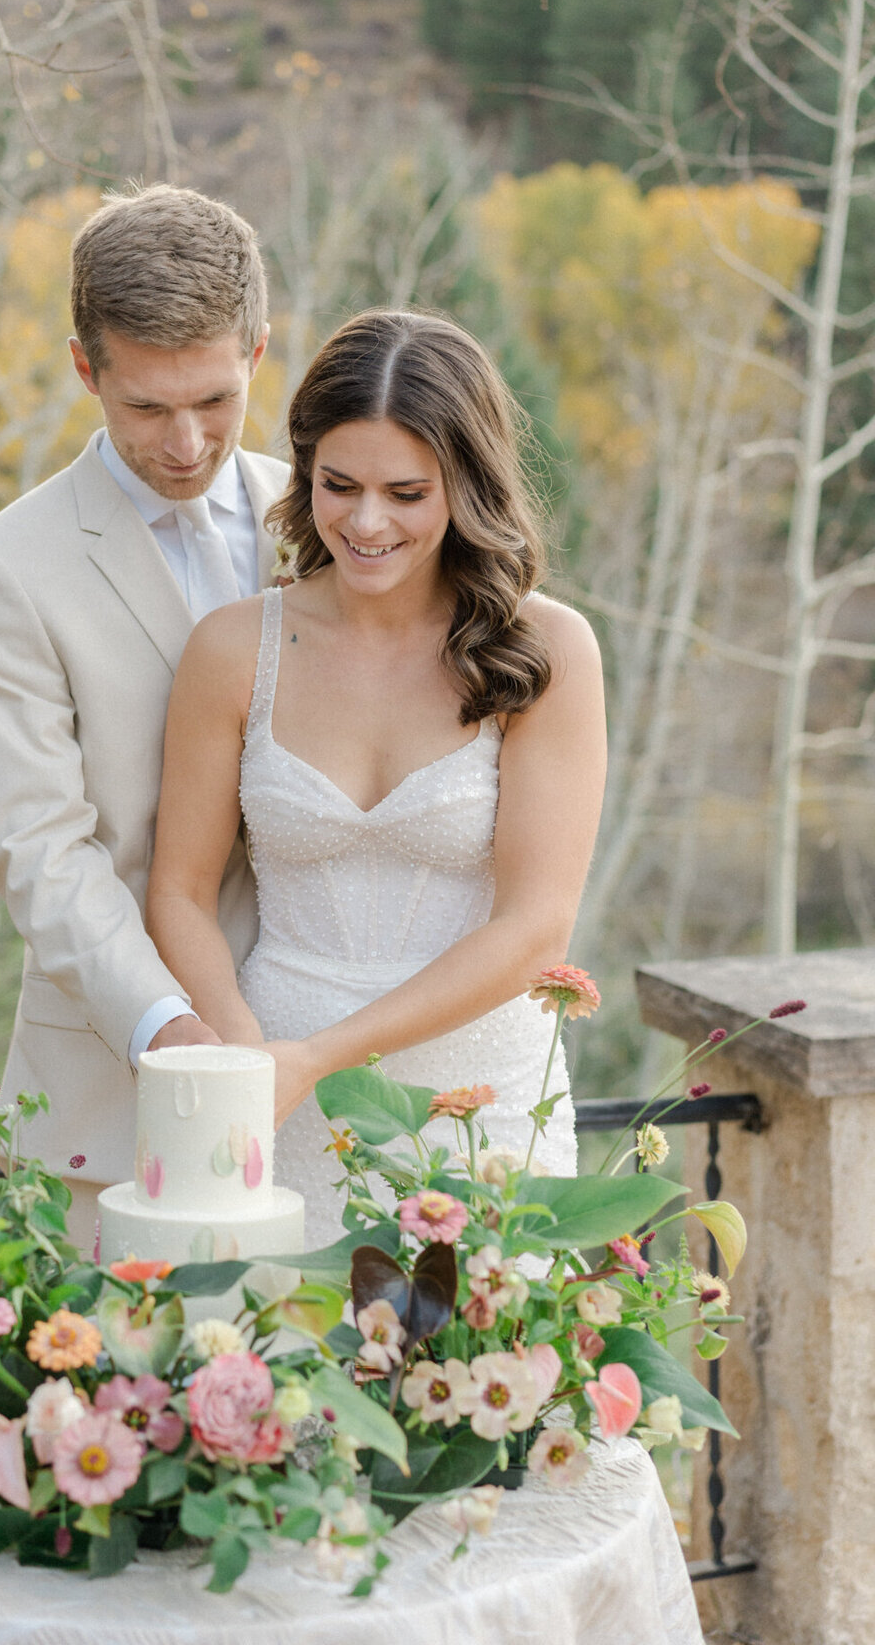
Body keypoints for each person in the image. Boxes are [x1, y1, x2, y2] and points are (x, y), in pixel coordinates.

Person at [146, 309, 607, 1247]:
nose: (365, 522)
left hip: (484, 1103)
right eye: (338, 484)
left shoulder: (548, 649)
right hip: (276, 1097)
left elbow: (535, 928)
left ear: (466, 487)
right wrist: (249, 1057)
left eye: (406, 492)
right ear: (304, 471)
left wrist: (320, 1059)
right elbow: (179, 892)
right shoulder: (235, 649)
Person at [0, 184, 289, 1246]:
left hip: (333, 1073)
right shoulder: (4, 570)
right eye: (146, 408)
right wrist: (176, 1035)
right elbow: (38, 848)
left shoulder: (334, 520)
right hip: (112, 1090)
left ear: (259, 350)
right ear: (86, 369)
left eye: (215, 402)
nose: (186, 443)